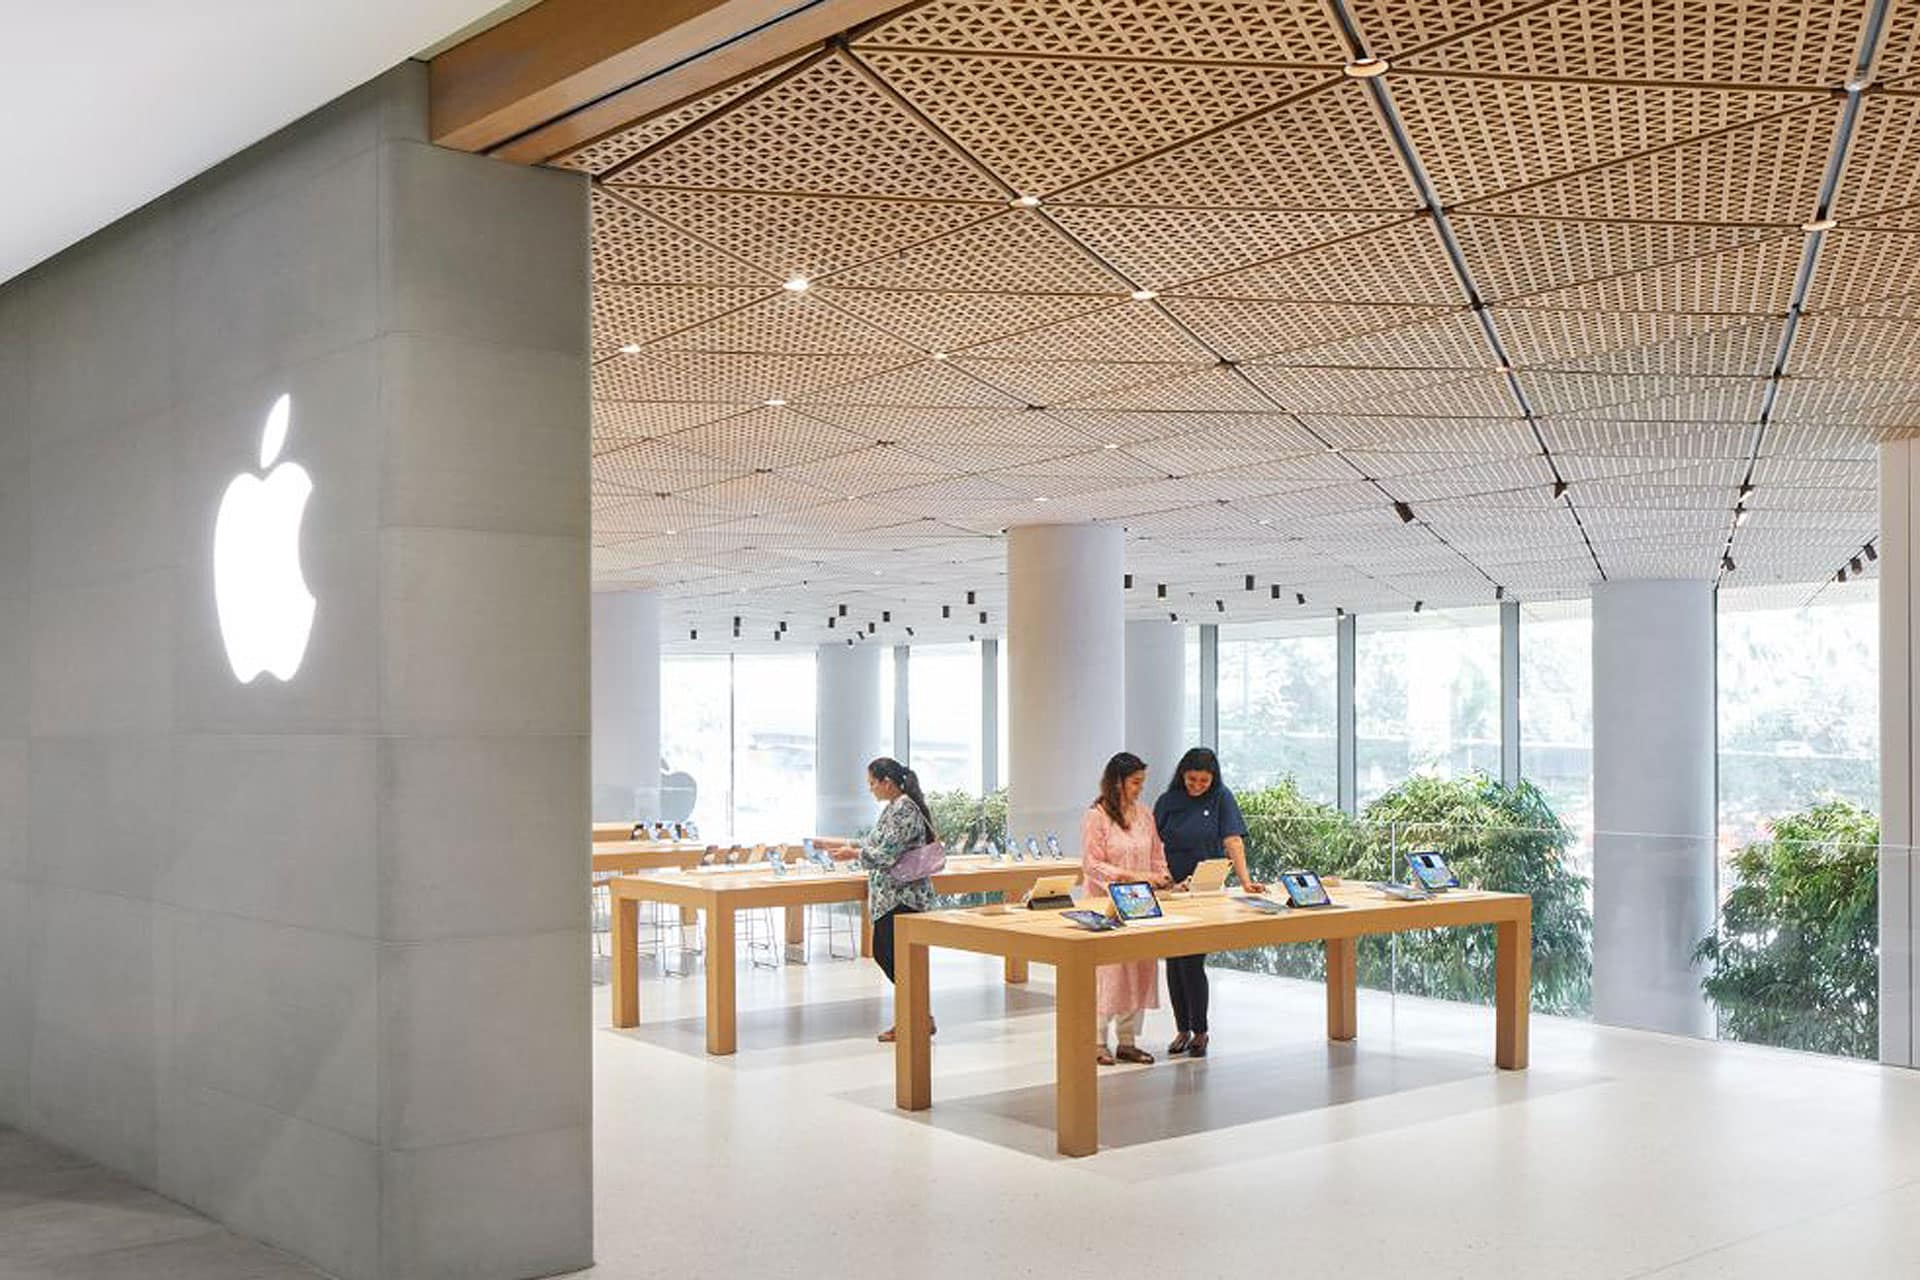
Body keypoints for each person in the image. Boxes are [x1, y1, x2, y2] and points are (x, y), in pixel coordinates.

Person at [1152, 746, 1263, 1058]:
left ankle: (1200, 1031)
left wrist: (1244, 880)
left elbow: (1232, 840)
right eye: (1191, 780)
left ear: (1213, 779)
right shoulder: (1167, 802)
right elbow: (1152, 842)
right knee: (1174, 960)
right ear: (1182, 775)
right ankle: (1181, 1030)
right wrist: (1163, 880)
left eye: (1203, 781)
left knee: (1192, 960)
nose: (1197, 786)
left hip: (1205, 888)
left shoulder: (1221, 797)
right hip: (1173, 889)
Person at [1080, 752, 1172, 1066]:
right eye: (1135, 782)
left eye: (1142, 782)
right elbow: (1092, 864)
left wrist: (1163, 877)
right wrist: (1133, 877)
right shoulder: (1097, 816)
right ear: (1117, 782)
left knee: (1138, 969)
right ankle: (1096, 1042)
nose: (1139, 788)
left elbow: (1157, 855)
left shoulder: (1145, 814)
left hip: (1140, 903)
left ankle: (1128, 1041)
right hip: (1106, 906)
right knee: (1107, 974)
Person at [855, 757, 938, 1043]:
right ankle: (918, 1017)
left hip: (902, 898)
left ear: (886, 782)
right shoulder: (894, 808)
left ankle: (916, 1018)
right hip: (891, 897)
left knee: (893, 958)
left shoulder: (903, 808)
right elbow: (881, 844)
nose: (871, 789)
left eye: (872, 783)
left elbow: (886, 853)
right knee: (892, 958)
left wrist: (854, 854)